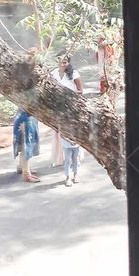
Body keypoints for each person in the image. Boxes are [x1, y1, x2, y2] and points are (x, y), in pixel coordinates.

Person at [51, 53, 83, 183]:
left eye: (65, 62)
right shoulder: (53, 73)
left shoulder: (74, 73)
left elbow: (80, 90)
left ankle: (76, 172)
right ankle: (66, 172)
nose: (63, 64)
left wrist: (68, 94)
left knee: (74, 139)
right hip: (59, 109)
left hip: (72, 107)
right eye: (61, 62)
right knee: (62, 136)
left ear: (68, 63)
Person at [13, 108, 40, 182]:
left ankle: (21, 167)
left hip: (25, 117)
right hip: (26, 120)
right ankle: (26, 174)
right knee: (26, 147)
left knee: (24, 145)